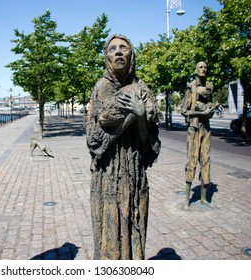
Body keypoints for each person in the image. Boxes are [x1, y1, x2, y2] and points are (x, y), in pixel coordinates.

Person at [86, 34, 161, 260]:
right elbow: (95, 141)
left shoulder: (142, 88)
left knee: (135, 234)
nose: (118, 52)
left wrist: (140, 117)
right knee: (109, 238)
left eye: (124, 48)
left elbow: (149, 146)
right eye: (113, 49)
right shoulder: (101, 88)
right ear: (107, 57)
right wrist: (131, 116)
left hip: (135, 174)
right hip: (108, 175)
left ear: (131, 55)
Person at [181, 61, 214, 210]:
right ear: (195, 70)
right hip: (194, 128)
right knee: (192, 160)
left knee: (205, 160)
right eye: (200, 67)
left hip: (206, 129)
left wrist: (210, 110)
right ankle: (187, 200)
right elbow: (184, 110)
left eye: (205, 67)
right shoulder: (191, 87)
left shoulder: (209, 86)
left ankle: (204, 198)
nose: (203, 69)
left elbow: (210, 105)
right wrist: (201, 113)